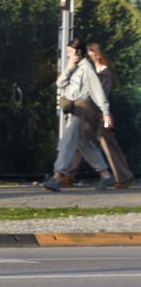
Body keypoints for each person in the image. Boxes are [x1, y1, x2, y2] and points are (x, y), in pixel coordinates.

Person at [41, 38, 113, 192]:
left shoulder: (86, 68)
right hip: (74, 110)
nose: (68, 55)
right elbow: (60, 84)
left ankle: (56, 177)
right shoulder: (74, 68)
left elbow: (98, 92)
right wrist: (68, 67)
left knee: (66, 143)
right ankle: (105, 174)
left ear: (79, 52)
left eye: (70, 52)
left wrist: (106, 112)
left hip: (83, 111)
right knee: (85, 145)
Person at [64, 43, 134, 189]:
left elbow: (102, 95)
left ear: (97, 54)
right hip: (89, 114)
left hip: (100, 116)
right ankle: (67, 175)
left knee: (107, 145)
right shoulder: (90, 71)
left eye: (90, 52)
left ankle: (124, 177)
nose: (88, 55)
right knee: (81, 142)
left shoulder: (104, 73)